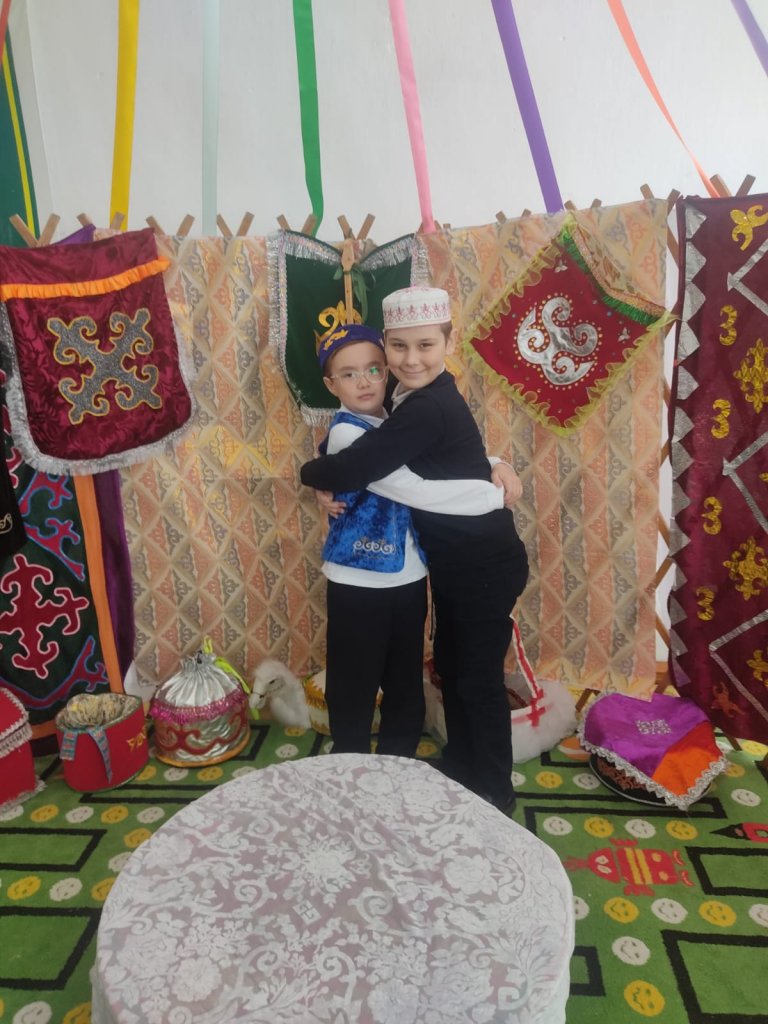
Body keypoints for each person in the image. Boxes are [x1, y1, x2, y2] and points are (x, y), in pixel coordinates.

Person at [301, 288, 528, 811]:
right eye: (399, 347)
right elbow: (428, 454)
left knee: (477, 679)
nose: (411, 359)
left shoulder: (425, 404)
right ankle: (464, 764)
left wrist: (311, 473)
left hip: (482, 565)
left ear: (448, 342)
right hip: (452, 564)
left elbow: (367, 470)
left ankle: (494, 791)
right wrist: (494, 462)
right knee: (453, 666)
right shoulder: (408, 399)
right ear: (387, 345)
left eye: (425, 345)